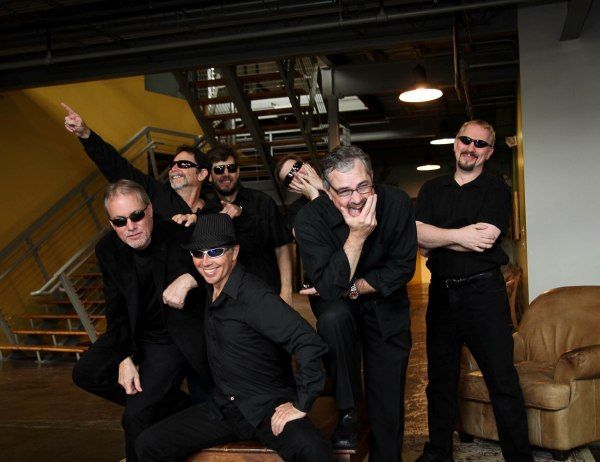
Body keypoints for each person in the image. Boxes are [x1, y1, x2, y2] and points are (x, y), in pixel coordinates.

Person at [135, 214, 332, 462]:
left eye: (215, 252)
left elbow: (308, 342)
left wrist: (301, 404)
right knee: (148, 445)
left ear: (234, 252)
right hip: (225, 408)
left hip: (266, 408)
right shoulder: (210, 288)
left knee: (313, 450)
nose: (205, 261)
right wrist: (187, 280)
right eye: (198, 253)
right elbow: (200, 272)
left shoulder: (255, 297)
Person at [414, 120, 532, 462]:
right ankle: (438, 452)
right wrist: (461, 236)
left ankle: (518, 457)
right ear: (455, 144)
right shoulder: (432, 188)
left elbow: (485, 239)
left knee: (502, 380)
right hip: (441, 295)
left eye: (480, 144)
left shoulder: (496, 189)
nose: (471, 148)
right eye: (466, 140)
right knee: (440, 380)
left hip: (484, 294)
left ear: (489, 152)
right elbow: (417, 237)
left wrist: (439, 237)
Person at [71, 180, 210, 462]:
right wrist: (123, 356)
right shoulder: (107, 249)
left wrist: (190, 278)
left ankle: (151, 407)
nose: (131, 226)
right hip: (135, 332)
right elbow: (115, 307)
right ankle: (175, 405)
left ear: (149, 210)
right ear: (112, 224)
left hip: (169, 337)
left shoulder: (179, 234)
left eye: (136, 216)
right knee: (86, 372)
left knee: (135, 416)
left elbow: (224, 265)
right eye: (120, 221)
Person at [294, 145, 417, 462]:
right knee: (333, 318)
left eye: (363, 186)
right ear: (327, 191)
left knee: (387, 396)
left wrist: (351, 287)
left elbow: (402, 268)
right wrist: (357, 236)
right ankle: (348, 411)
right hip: (338, 309)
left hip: (387, 304)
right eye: (345, 191)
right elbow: (328, 288)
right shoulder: (309, 218)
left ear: (372, 178)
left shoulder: (397, 203)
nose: (357, 199)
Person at [62, 103, 220, 225]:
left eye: (183, 164)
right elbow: (117, 167)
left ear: (202, 174)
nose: (174, 169)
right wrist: (86, 134)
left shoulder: (216, 212)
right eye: (172, 165)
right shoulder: (155, 193)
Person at [206, 144, 294, 304]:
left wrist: (286, 291)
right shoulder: (207, 210)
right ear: (210, 176)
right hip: (225, 297)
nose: (226, 174)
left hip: (266, 291)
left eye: (231, 168)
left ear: (238, 171)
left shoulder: (263, 202)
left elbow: (282, 247)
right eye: (219, 170)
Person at [274, 155, 324, 229]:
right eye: (290, 176)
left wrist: (323, 186)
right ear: (291, 189)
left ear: (307, 165)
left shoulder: (336, 180)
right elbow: (303, 234)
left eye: (297, 166)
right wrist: (314, 196)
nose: (297, 174)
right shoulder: (295, 210)